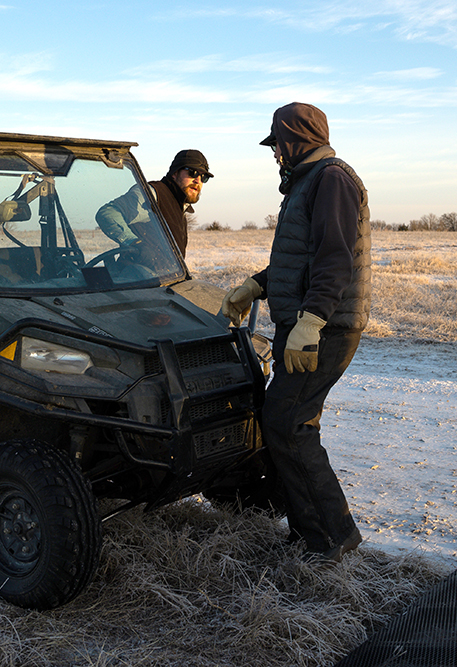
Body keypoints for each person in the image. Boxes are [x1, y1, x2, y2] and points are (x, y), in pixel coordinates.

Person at [222, 102, 371, 564]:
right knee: (286, 421)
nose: (274, 154)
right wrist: (257, 285)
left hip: (323, 329)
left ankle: (330, 540)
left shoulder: (332, 179)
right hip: (307, 324)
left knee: (289, 425)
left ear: (297, 138)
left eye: (277, 143)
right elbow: (299, 258)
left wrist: (312, 320)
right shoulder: (309, 182)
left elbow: (334, 258)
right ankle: (314, 531)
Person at [95, 149, 212, 258]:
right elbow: (107, 213)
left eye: (204, 177)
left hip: (165, 278)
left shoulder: (179, 206)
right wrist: (134, 243)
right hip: (138, 276)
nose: (198, 180)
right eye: (193, 172)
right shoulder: (153, 194)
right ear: (175, 172)